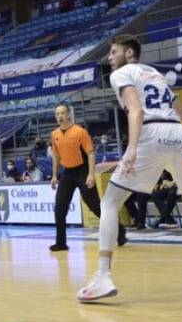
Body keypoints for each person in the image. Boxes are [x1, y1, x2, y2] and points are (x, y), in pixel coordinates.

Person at [77, 34, 182, 302]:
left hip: (150, 133)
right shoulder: (157, 74)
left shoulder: (122, 74)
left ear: (129, 53)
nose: (109, 57)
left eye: (113, 52)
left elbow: (136, 111)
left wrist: (132, 149)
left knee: (110, 203)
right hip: (176, 133)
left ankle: (103, 275)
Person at [49, 103, 126, 252]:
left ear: (68, 115)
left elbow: (91, 153)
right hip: (67, 173)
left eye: (62, 113)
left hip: (82, 171)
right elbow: (56, 156)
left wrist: (91, 175)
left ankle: (120, 230)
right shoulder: (54, 135)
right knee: (59, 208)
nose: (60, 116)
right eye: (57, 114)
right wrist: (54, 175)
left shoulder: (80, 132)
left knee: (95, 206)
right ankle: (61, 243)